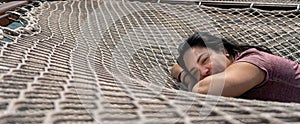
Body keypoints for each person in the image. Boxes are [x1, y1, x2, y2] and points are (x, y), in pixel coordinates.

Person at [171, 32, 300, 103]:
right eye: (195, 71)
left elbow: (203, 89)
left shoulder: (252, 62)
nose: (204, 71)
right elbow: (175, 67)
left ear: (223, 50)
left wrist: (184, 76)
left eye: (205, 60)